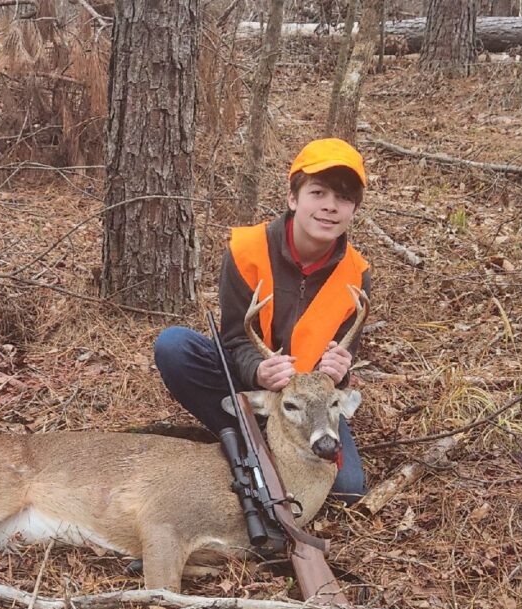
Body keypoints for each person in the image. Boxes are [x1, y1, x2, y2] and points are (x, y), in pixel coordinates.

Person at [153, 137, 371, 504]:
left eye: (344, 199)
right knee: (174, 346)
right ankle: (245, 438)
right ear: (293, 199)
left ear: (353, 210)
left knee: (348, 489)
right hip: (254, 384)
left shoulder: (357, 274)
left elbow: (343, 357)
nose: (330, 207)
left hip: (309, 403)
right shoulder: (247, 251)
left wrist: (340, 370)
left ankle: (279, 445)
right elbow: (235, 340)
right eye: (318, 193)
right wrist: (259, 372)